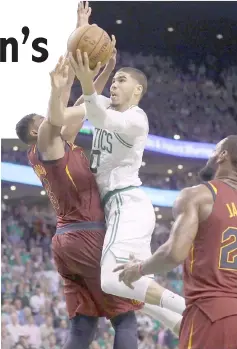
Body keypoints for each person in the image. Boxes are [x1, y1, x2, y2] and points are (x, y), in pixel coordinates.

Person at [15, 3, 143, 349]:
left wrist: (103, 70)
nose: (51, 119)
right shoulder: (46, 140)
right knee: (124, 316)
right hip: (88, 236)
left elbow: (86, 106)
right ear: (34, 132)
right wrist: (65, 73)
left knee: (84, 325)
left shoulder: (58, 144)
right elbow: (60, 107)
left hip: (67, 242)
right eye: (43, 120)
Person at [67, 43, 185, 325]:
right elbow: (78, 109)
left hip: (126, 204)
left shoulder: (136, 119)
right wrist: (88, 41)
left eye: (122, 80)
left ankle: (192, 309)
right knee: (132, 290)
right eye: (114, 80)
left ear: (137, 90)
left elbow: (100, 118)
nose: (114, 85)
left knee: (112, 280)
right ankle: (185, 329)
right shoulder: (105, 104)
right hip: (120, 208)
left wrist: (85, 81)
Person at [115, 136, 237, 349]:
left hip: (212, 311)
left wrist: (138, 269)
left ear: (223, 155)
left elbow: (174, 253)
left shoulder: (201, 195)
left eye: (215, 149)